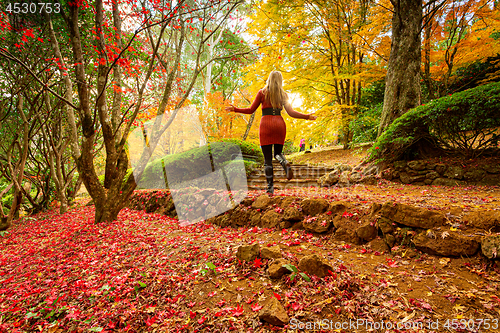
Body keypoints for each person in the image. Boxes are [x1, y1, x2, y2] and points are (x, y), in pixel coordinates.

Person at [225, 71, 317, 195]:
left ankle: (270, 188)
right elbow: (291, 112)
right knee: (278, 153)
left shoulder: (262, 93)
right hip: (279, 124)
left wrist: (235, 109)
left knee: (267, 160)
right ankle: (284, 162)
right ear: (280, 81)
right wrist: (307, 116)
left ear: (269, 79)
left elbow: (250, 110)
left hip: (266, 125)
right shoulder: (283, 95)